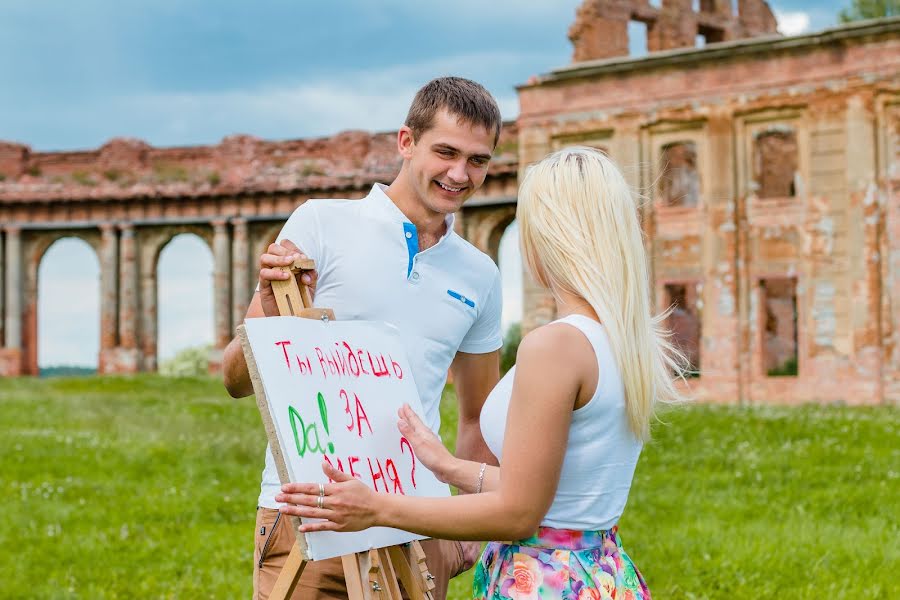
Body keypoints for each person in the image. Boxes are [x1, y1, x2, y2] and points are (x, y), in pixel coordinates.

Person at [276, 147, 688, 599]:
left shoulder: (555, 346)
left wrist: (376, 508)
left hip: (542, 581)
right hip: (599, 572)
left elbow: (518, 514)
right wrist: (449, 467)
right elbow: (549, 490)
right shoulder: (621, 339)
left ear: (548, 233)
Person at [222, 76, 505, 600]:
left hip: (416, 528)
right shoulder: (320, 225)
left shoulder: (480, 275)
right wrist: (268, 307)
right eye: (445, 151)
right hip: (308, 517)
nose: (459, 174)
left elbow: (477, 417)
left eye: (478, 160)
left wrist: (472, 527)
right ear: (406, 142)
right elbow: (236, 380)